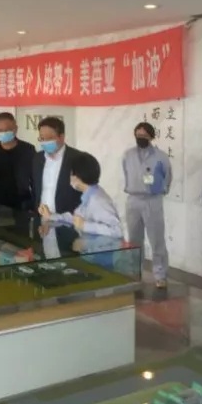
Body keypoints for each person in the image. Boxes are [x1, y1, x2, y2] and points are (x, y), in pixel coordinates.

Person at [123, 122, 173, 288]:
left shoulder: (161, 156)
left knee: (156, 240)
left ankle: (160, 275)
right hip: (133, 200)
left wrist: (160, 191)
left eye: (144, 135)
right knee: (134, 240)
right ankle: (135, 272)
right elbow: (126, 174)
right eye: (138, 135)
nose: (141, 138)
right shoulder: (128, 155)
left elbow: (167, 177)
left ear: (151, 137)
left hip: (152, 201)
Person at [39, 152, 122, 238]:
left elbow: (118, 230)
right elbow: (76, 219)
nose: (69, 178)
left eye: (70, 174)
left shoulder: (98, 200)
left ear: (77, 176)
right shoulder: (89, 195)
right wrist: (51, 216)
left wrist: (85, 225)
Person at [0, 112, 36, 229]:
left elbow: (35, 181)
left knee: (20, 238)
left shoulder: (28, 150)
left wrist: (33, 206)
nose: (3, 133)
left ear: (15, 129)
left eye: (7, 129)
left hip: (20, 206)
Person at [32, 116, 83, 216]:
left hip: (68, 220)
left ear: (61, 137)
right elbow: (35, 188)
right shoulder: (37, 158)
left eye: (49, 138)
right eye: (42, 138)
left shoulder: (78, 158)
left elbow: (84, 192)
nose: (45, 142)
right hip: (41, 218)